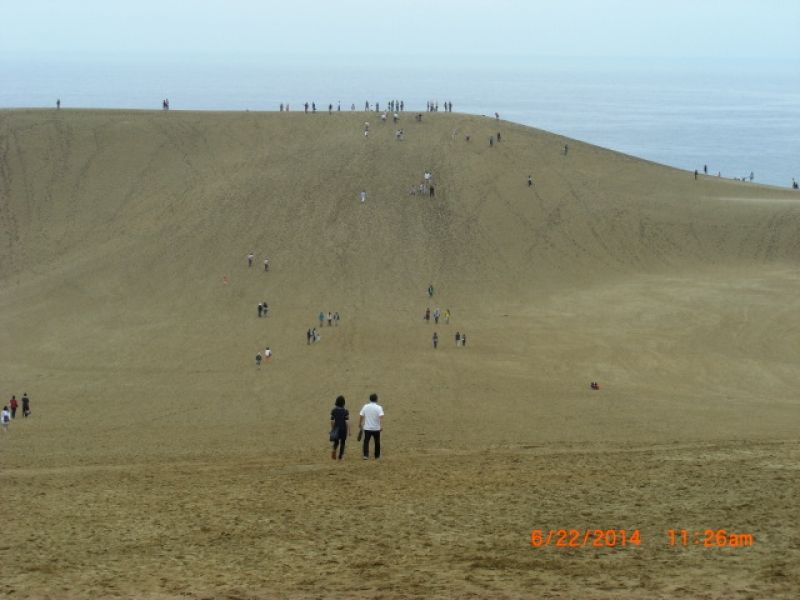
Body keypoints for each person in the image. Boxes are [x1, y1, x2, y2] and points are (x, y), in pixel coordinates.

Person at [359, 393, 384, 460]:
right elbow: (381, 417)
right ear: (376, 399)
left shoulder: (365, 406)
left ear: (370, 399)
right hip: (376, 428)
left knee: (366, 441)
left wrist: (360, 423)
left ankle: (366, 455)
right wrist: (381, 426)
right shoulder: (379, 407)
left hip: (367, 428)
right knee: (377, 442)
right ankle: (377, 456)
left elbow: (361, 415)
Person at [330, 395, 350, 460]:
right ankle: (340, 456)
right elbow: (347, 422)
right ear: (343, 403)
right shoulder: (346, 411)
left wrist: (333, 429)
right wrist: (348, 431)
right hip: (343, 428)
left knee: (336, 442)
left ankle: (334, 449)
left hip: (336, 428)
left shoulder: (333, 411)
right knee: (343, 442)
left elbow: (332, 421)